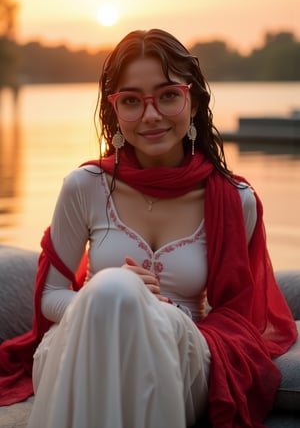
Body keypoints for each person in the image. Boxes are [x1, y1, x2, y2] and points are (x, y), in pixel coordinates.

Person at [0, 29, 297, 428]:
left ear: (192, 103)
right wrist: (107, 298)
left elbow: (239, 317)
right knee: (113, 288)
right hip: (84, 338)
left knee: (121, 294)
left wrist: (150, 311)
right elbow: (51, 297)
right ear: (115, 111)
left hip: (183, 351)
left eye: (168, 95)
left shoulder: (234, 198)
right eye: (131, 101)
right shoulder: (85, 186)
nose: (151, 115)